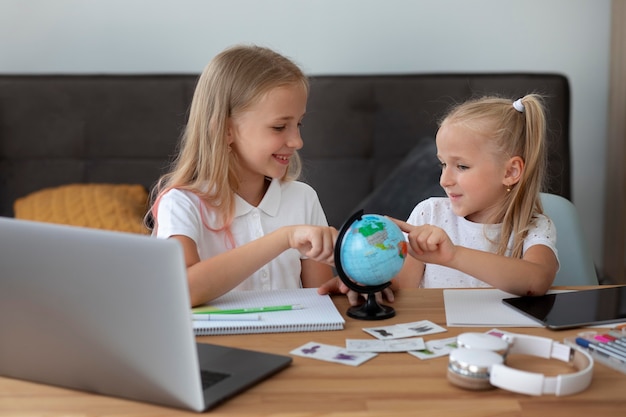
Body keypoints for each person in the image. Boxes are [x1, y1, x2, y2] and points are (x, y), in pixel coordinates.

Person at [149, 45, 339, 307]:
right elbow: (183, 289)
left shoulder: (303, 199)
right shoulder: (182, 203)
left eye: (299, 124)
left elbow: (321, 299)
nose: (297, 141)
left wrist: (349, 285)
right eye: (279, 127)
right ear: (226, 131)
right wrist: (284, 239)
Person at [390, 94, 559, 296]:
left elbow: (537, 281)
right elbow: (399, 291)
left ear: (510, 172)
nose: (444, 180)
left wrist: (453, 256)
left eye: (462, 166)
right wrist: (358, 284)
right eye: (443, 164)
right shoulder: (429, 215)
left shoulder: (533, 228)